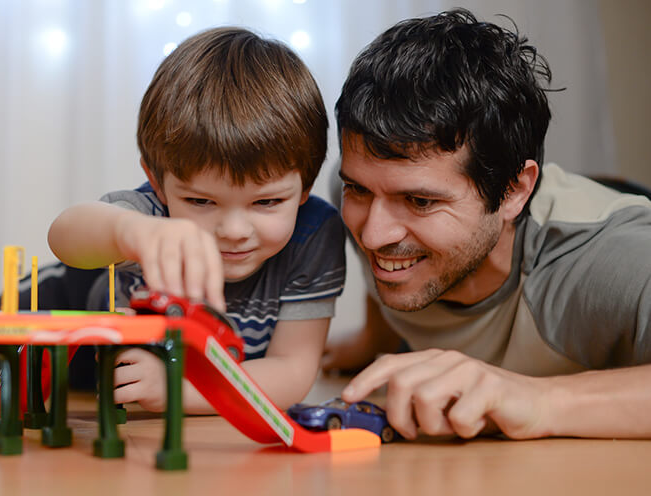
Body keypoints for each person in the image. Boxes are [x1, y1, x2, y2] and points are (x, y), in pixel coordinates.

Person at [323, 8, 651, 440]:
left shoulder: (609, 260)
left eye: (420, 201)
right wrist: (373, 338)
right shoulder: (356, 191)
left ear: (515, 191)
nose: (372, 234)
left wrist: (537, 401)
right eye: (359, 190)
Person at [48, 27, 346, 414]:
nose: (235, 232)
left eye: (267, 201)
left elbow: (291, 371)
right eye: (201, 201)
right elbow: (64, 234)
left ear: (305, 185)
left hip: (136, 380)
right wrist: (133, 232)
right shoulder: (149, 220)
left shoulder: (314, 234)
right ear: (156, 183)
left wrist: (176, 392)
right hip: (70, 294)